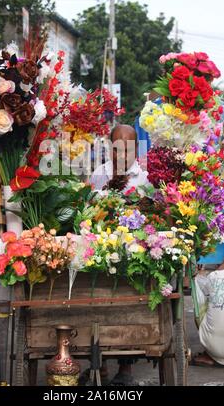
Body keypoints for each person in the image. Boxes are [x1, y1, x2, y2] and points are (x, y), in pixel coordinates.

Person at [84, 124, 148, 386]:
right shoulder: (99, 174)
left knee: (129, 303)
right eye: (117, 145)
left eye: (128, 146)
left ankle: (126, 367)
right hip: (101, 250)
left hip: (132, 252)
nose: (123, 151)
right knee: (94, 301)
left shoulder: (142, 178)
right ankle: (100, 366)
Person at [192, 238, 224, 367]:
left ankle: (209, 355)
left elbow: (205, 281)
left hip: (213, 346)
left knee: (201, 302)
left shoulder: (215, 276)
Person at [91, 124, 149, 194]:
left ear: (136, 147)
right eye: (117, 150)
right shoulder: (100, 172)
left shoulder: (145, 178)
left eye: (128, 150)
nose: (123, 156)